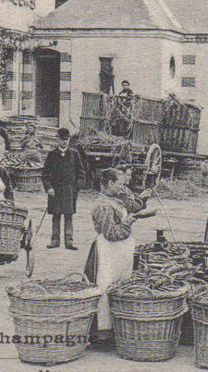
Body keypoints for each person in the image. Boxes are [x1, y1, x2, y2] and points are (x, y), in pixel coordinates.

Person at [83, 169, 141, 343]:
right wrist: (128, 223)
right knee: (105, 286)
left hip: (117, 253)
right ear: (109, 184)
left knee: (118, 286)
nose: (123, 187)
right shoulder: (103, 205)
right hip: (107, 252)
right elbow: (111, 233)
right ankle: (103, 332)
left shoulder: (113, 201)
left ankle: (115, 328)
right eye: (120, 184)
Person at [41, 127, 86, 250]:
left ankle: (69, 241)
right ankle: (55, 240)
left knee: (68, 215)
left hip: (69, 191)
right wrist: (49, 188)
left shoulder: (74, 154)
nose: (64, 142)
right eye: (62, 139)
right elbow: (45, 175)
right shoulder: (51, 155)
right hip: (55, 191)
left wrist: (77, 187)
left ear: (69, 139)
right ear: (57, 139)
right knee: (56, 215)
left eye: (66, 139)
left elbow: (81, 173)